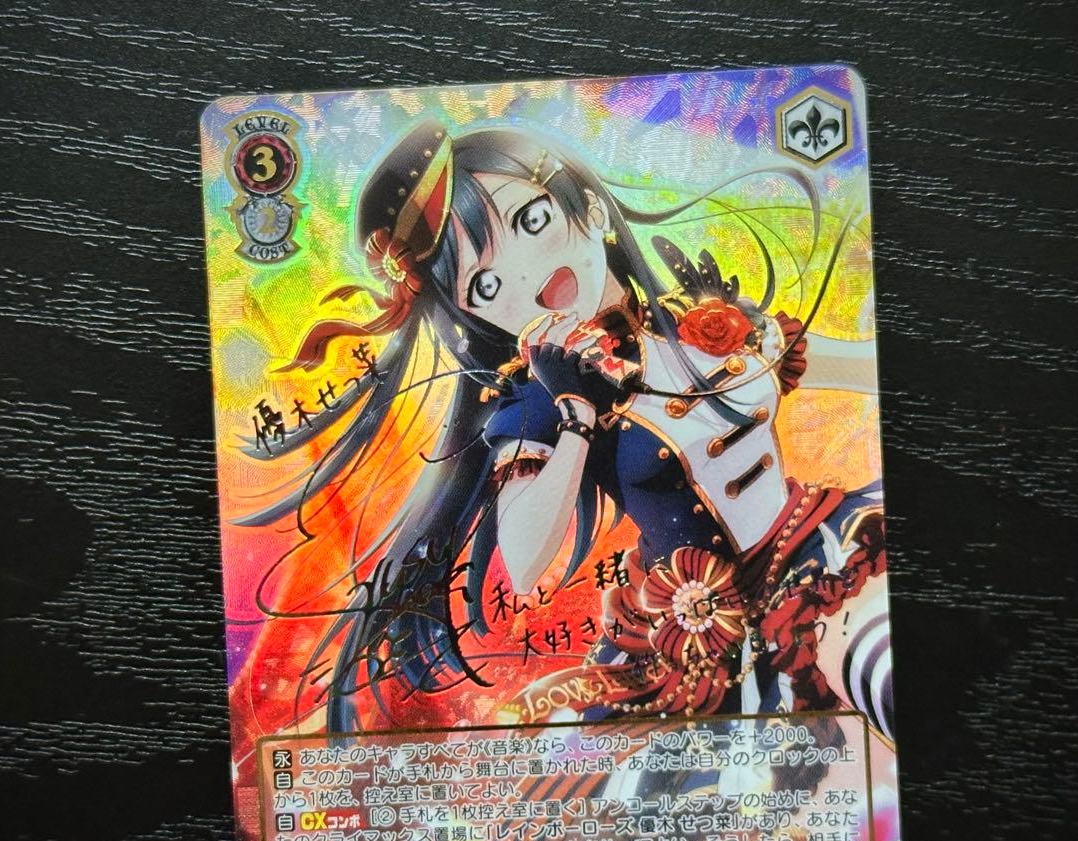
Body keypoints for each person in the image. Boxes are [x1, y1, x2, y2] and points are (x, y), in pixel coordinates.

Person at [238, 120, 891, 741]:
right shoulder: (539, 399)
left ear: (592, 209)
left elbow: (860, 366)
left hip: (820, 552)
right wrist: (576, 415)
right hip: (704, 626)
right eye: (485, 285)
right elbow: (524, 561)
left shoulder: (702, 318)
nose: (526, 277)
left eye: (531, 221)